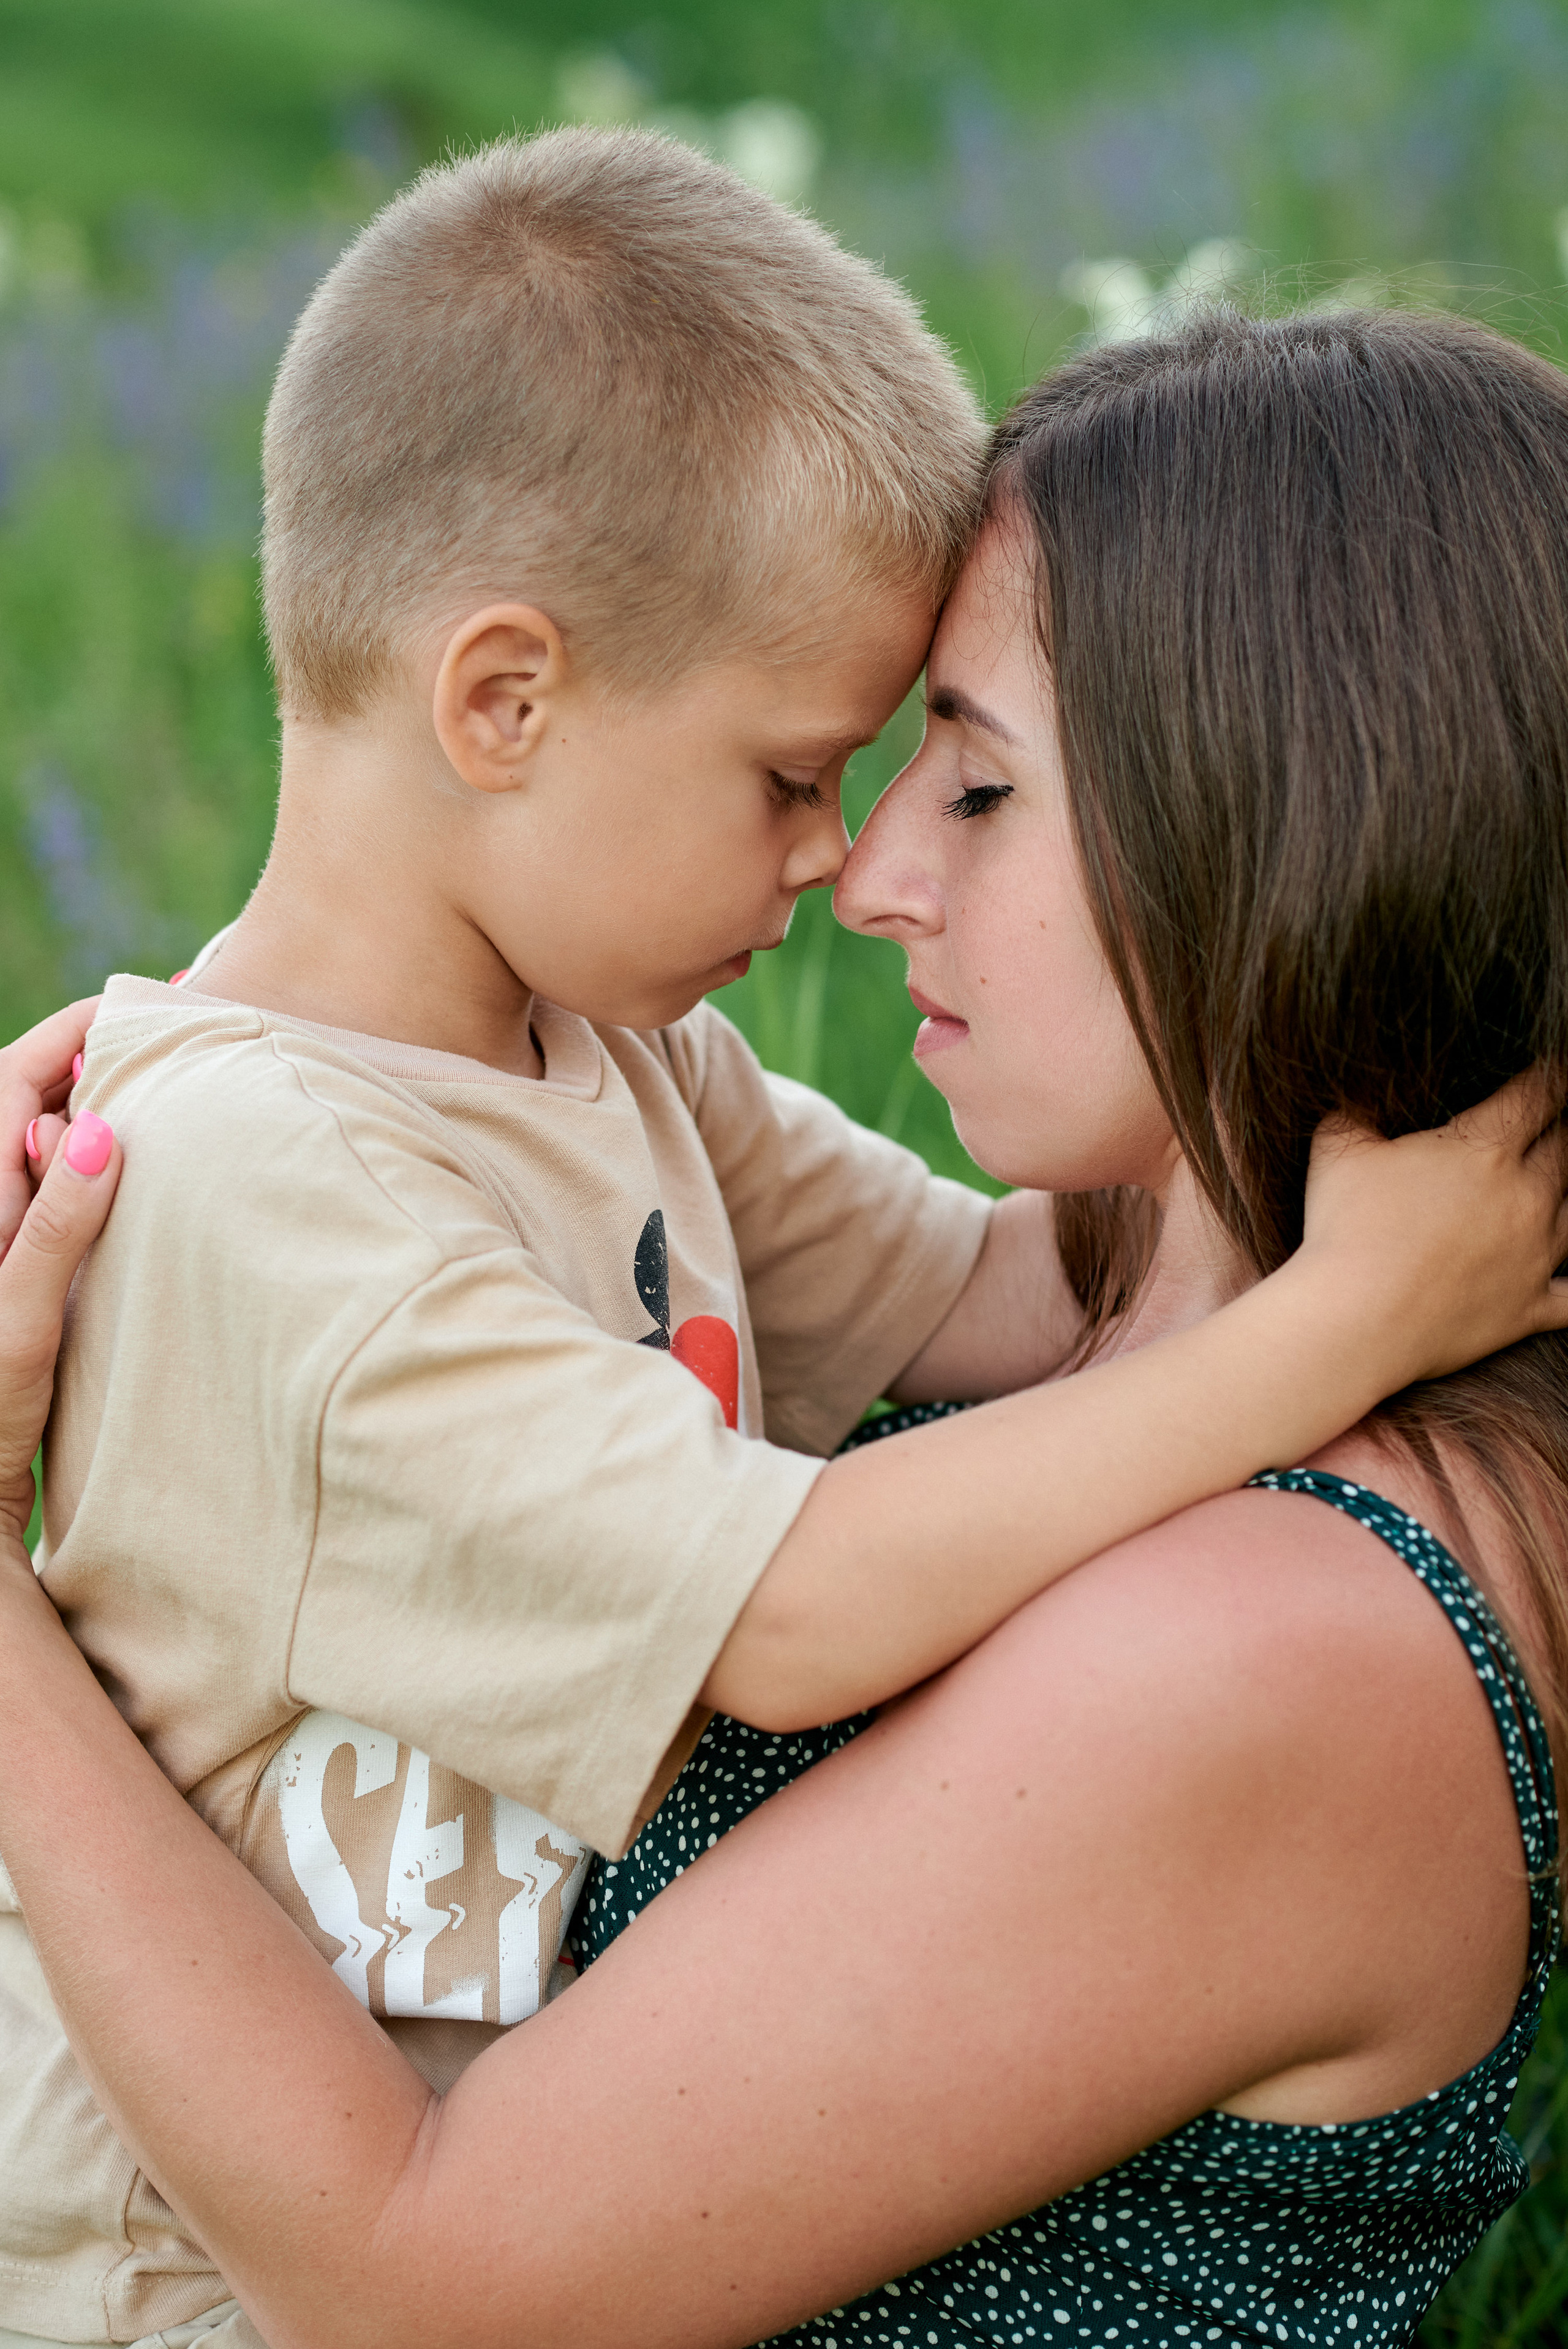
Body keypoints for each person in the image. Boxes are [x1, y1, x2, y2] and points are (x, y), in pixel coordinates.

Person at [0, 138, 1517, 2348]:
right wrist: (1350, 1315)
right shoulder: (269, 1192)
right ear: (500, 703)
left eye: (957, 780)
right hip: (175, 2276)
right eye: (793, 774)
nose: (845, 860)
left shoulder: (603, 1058)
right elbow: (789, 1612)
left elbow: (996, 1298)